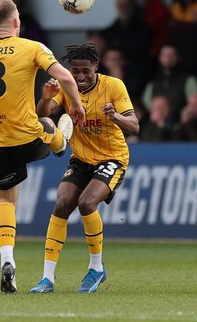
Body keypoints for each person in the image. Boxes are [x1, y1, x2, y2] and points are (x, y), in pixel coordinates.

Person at [0, 0, 85, 294]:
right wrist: (75, 105)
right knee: (50, 124)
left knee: (6, 202)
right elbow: (64, 75)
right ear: (17, 22)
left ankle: (7, 260)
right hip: (27, 138)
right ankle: (60, 143)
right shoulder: (31, 47)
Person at [29, 43, 139, 294]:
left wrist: (115, 117)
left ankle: (96, 269)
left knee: (87, 203)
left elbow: (134, 126)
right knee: (62, 204)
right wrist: (46, 98)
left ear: (96, 67)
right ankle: (47, 279)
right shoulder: (64, 86)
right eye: (75, 70)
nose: (79, 77)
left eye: (85, 71)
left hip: (112, 158)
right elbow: (43, 116)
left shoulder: (114, 86)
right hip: (80, 158)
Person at [141, 44, 197, 120]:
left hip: (179, 122)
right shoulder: (154, 82)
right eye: (165, 54)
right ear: (160, 58)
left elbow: (193, 103)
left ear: (178, 57)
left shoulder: (188, 79)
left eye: (172, 55)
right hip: (156, 122)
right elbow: (147, 105)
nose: (168, 58)